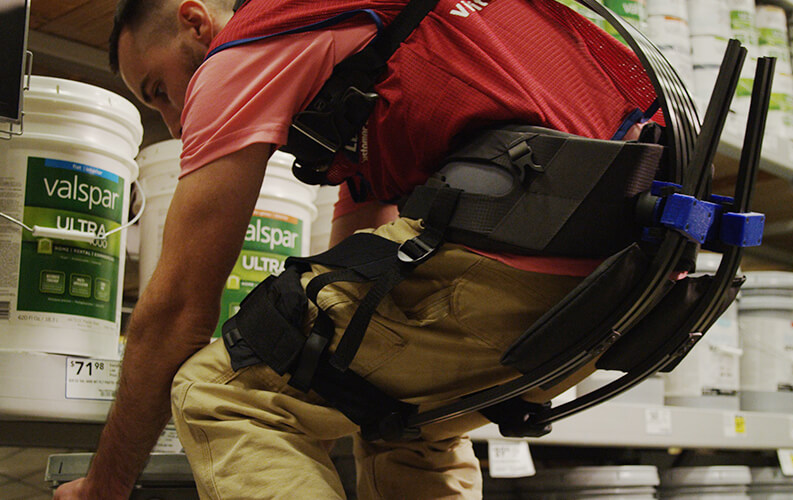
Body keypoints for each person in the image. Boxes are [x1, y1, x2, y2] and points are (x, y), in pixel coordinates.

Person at [54, 0, 658, 498]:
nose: (173, 123)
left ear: (194, 21)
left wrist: (105, 486)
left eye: (159, 90)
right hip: (629, 284)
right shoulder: (382, 56)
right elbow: (349, 291)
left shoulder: (250, 42)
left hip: (524, 253)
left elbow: (177, 311)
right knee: (396, 417)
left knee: (220, 392)